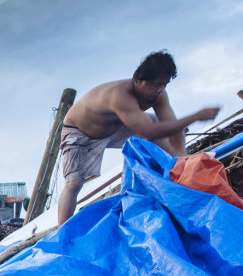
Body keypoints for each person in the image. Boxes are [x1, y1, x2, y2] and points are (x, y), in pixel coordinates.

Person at [57, 51, 221, 224]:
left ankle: (176, 169)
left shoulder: (159, 95)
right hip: (81, 133)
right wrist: (195, 117)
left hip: (116, 127)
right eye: (155, 85)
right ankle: (62, 232)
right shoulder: (119, 95)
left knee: (158, 123)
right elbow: (147, 132)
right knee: (74, 184)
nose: (159, 89)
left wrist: (181, 156)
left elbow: (172, 125)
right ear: (138, 80)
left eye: (164, 84)